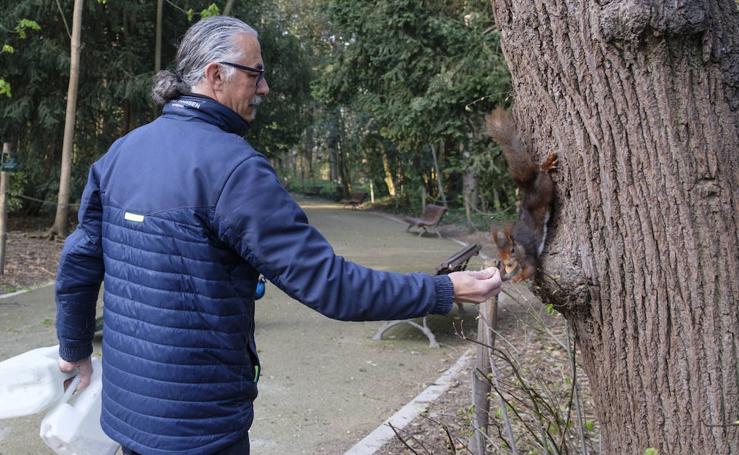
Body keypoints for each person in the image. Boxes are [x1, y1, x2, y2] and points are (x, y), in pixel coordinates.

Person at [54, 16, 502, 455]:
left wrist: (74, 349)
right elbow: (331, 286)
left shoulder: (120, 154)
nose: (264, 88)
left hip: (127, 415)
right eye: (257, 74)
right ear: (215, 75)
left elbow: (78, 264)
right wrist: (441, 289)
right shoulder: (235, 170)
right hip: (201, 428)